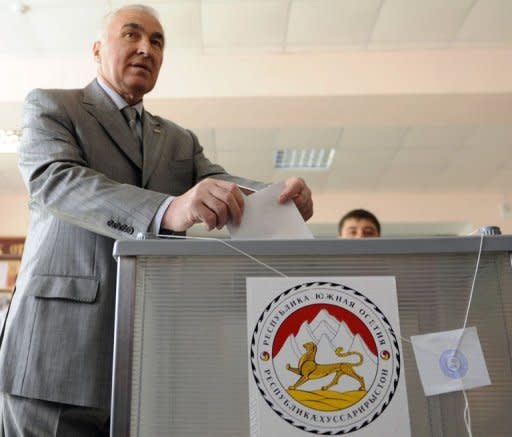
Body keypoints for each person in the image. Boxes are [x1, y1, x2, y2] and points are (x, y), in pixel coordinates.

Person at [0, 4, 313, 435]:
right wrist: (169, 209)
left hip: (148, 352)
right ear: (96, 49)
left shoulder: (179, 140)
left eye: (157, 42)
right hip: (55, 354)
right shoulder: (53, 107)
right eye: (132, 35)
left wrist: (276, 196)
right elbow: (57, 182)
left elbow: (220, 184)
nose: (146, 48)